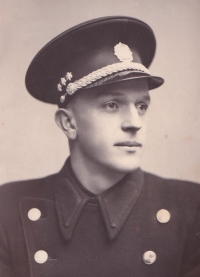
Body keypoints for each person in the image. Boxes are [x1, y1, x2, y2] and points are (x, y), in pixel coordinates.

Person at [0, 16, 200, 277]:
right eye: (112, 105)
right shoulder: (7, 209)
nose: (134, 123)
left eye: (141, 106)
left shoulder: (191, 207)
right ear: (68, 123)